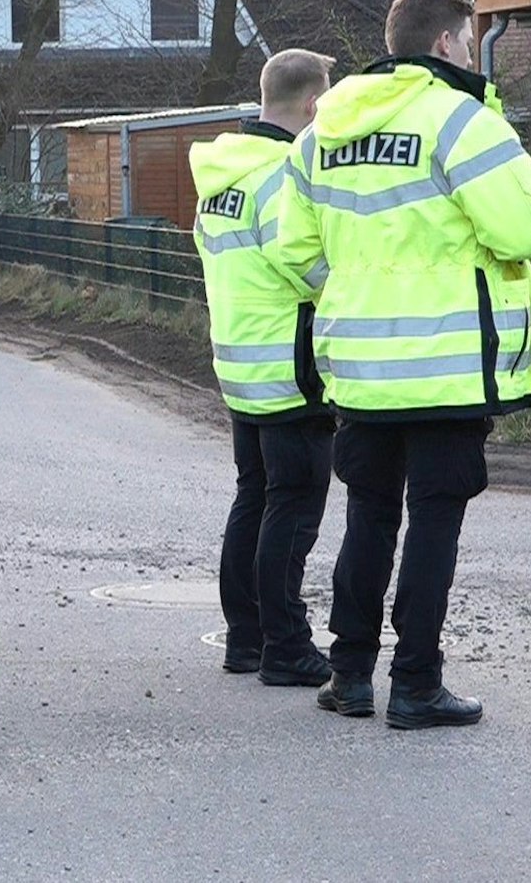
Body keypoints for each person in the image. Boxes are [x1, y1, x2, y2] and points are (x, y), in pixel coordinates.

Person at [273, 0, 531, 729]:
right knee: (434, 520)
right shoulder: (462, 121)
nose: (471, 55)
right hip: (447, 367)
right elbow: (529, 230)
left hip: (362, 371)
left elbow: (292, 252)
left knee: (367, 514)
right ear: (443, 45)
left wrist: (354, 293)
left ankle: (348, 675)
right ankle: (416, 683)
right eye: (468, 43)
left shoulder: (322, 133)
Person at [190, 49, 337, 688]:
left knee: (254, 497)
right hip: (291, 366)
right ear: (311, 107)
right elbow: (306, 266)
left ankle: (245, 637)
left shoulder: (223, 177)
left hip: (239, 363)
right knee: (294, 505)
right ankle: (286, 644)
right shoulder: (283, 178)